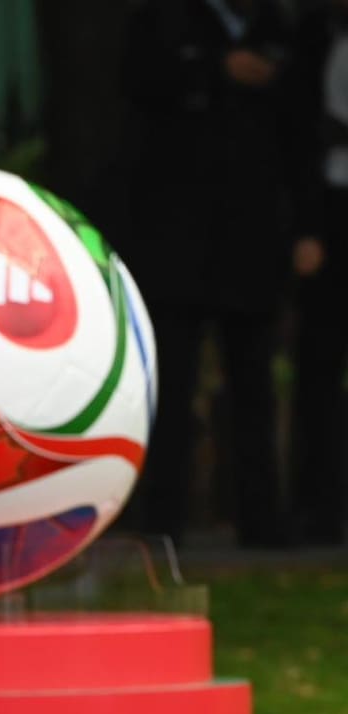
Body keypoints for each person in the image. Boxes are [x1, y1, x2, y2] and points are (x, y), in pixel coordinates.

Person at [120, 0, 290, 548]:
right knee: (172, 386)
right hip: (178, 245)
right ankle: (161, 521)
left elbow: (296, 132)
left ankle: (262, 523)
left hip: (251, 241)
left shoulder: (276, 27)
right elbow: (139, 86)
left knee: (253, 389)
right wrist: (214, 70)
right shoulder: (166, 19)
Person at [286, 0, 348, 547]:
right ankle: (319, 507)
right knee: (319, 366)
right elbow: (297, 137)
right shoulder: (311, 36)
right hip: (328, 215)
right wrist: (305, 228)